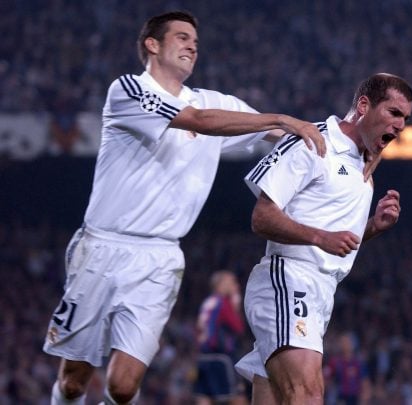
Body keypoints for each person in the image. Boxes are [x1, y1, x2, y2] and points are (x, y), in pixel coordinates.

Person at [42, 10, 326, 405]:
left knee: (122, 387)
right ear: (152, 45)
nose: (192, 44)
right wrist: (281, 117)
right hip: (102, 247)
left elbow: (276, 134)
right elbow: (200, 121)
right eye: (181, 37)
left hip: (160, 258)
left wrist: (335, 144)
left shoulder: (214, 102)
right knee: (74, 380)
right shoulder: (128, 90)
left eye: (195, 40)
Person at [234, 73, 412, 404]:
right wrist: (320, 237)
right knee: (308, 394)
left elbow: (340, 241)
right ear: (363, 106)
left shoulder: (364, 169)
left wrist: (373, 225)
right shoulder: (314, 142)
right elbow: (262, 217)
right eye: (394, 113)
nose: (401, 125)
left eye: (405, 118)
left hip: (322, 292)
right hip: (289, 278)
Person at [194, 270, 247, 405]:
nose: (236, 286)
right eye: (232, 282)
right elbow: (238, 328)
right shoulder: (223, 303)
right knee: (237, 397)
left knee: (204, 396)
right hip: (221, 357)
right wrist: (235, 305)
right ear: (221, 284)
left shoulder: (208, 302)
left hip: (203, 357)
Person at [323, 332, 372, 405]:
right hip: (339, 398)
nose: (344, 344)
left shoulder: (358, 363)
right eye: (342, 342)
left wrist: (364, 400)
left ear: (352, 344)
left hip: (355, 398)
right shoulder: (334, 362)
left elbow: (366, 384)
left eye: (346, 342)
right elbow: (325, 377)